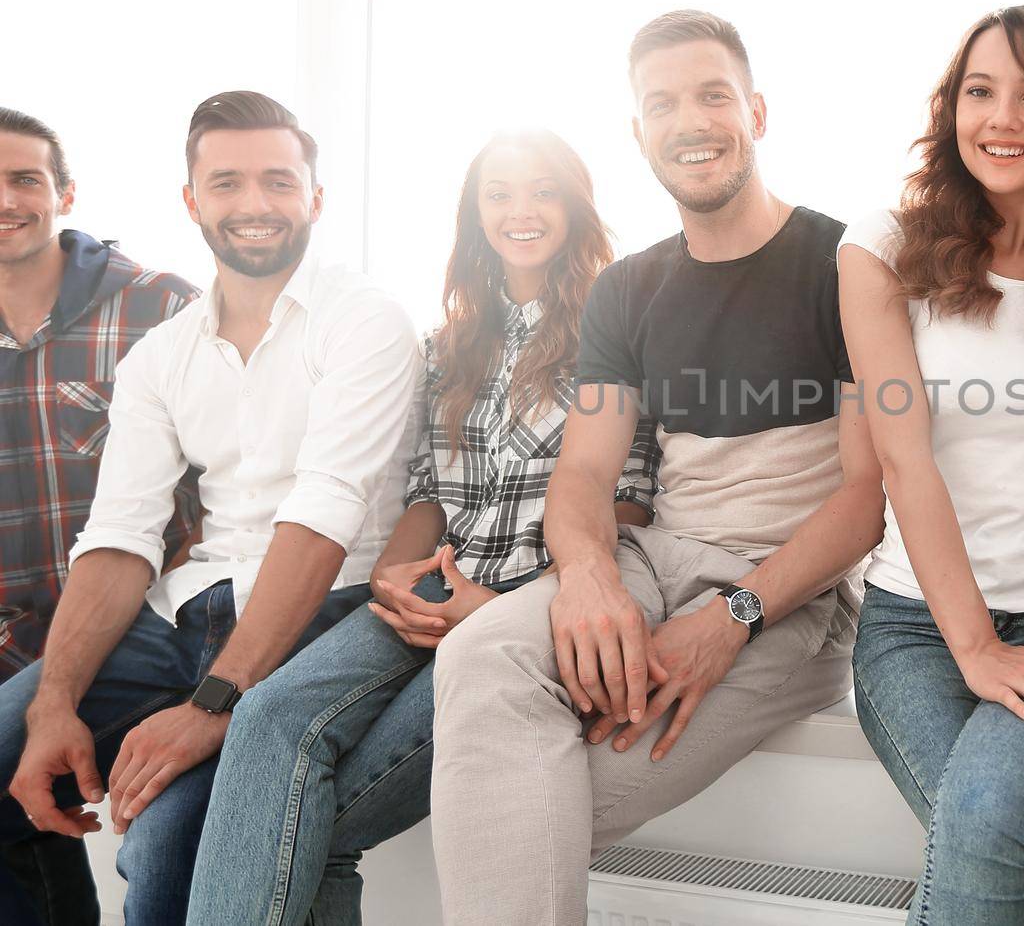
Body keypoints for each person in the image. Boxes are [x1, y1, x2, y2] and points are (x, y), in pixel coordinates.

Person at [427, 10, 886, 925]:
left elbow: (867, 498)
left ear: (756, 111)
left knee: (530, 799)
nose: (692, 120)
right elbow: (585, 477)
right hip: (661, 558)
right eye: (663, 103)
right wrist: (590, 578)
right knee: (480, 653)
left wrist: (735, 615)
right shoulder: (627, 287)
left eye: (714, 94)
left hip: (792, 596)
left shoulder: (844, 263)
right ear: (639, 133)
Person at [184, 129, 660, 924]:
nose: (521, 211)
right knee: (265, 713)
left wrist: (501, 608)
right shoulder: (449, 342)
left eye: (543, 190)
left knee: (322, 823)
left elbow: (631, 503)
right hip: (432, 587)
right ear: (475, 216)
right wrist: (391, 574)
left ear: (576, 208)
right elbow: (428, 491)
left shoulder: (622, 330)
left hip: (526, 609)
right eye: (499, 193)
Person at [0, 91, 421, 925]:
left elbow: (324, 513)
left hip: (321, 608)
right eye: (226, 183)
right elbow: (120, 536)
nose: (254, 204)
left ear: (315, 198)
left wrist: (213, 704)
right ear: (192, 202)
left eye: (277, 181)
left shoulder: (363, 319)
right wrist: (55, 703)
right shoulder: (164, 353)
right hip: (180, 614)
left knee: (162, 849)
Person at [839, 5, 1024, 926]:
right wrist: (973, 647)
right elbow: (902, 457)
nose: (1001, 118)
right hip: (917, 630)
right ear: (951, 108)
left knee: (988, 831)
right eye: (980, 91)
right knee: (1020, 862)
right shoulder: (881, 250)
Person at [0, 109, 199, 924]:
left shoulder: (157, 306)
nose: (5, 198)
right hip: (13, 645)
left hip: (141, 638)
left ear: (65, 193)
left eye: (23, 179)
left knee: (156, 850)